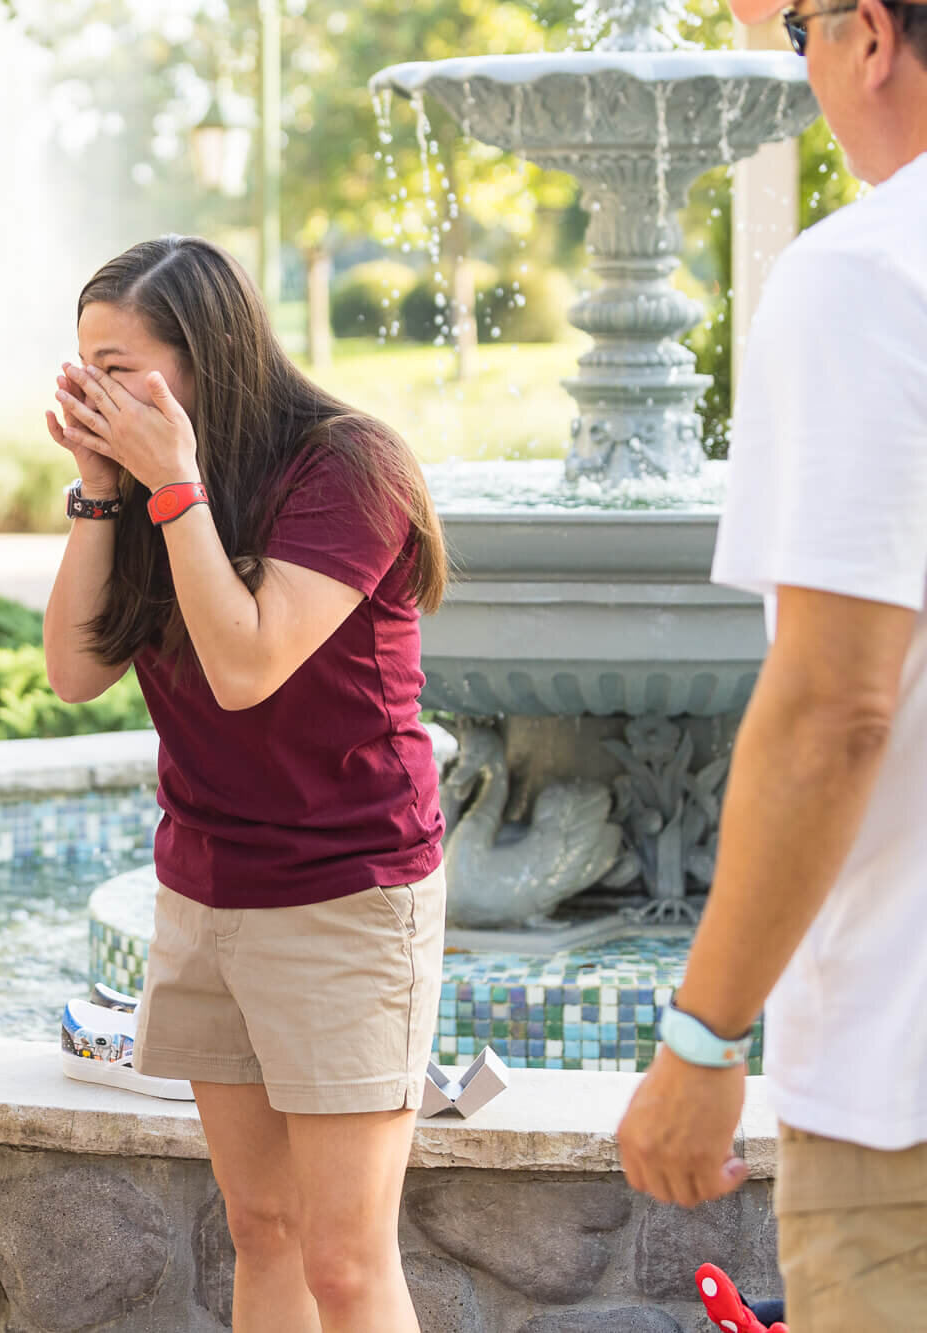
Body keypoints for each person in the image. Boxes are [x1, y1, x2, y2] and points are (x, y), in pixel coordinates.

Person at [42, 235, 449, 1333]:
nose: (92, 390)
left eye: (119, 367)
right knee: (259, 1228)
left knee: (345, 1257)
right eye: (82, 365)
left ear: (203, 357)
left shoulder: (344, 467)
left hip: (342, 895)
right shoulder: (140, 492)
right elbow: (73, 672)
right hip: (206, 890)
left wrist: (172, 491)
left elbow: (246, 664)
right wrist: (98, 495)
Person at [615, 2, 927, 1328]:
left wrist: (702, 1034)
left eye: (798, 31)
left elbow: (833, 709)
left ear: (871, 36)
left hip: (903, 1085)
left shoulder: (870, 271)